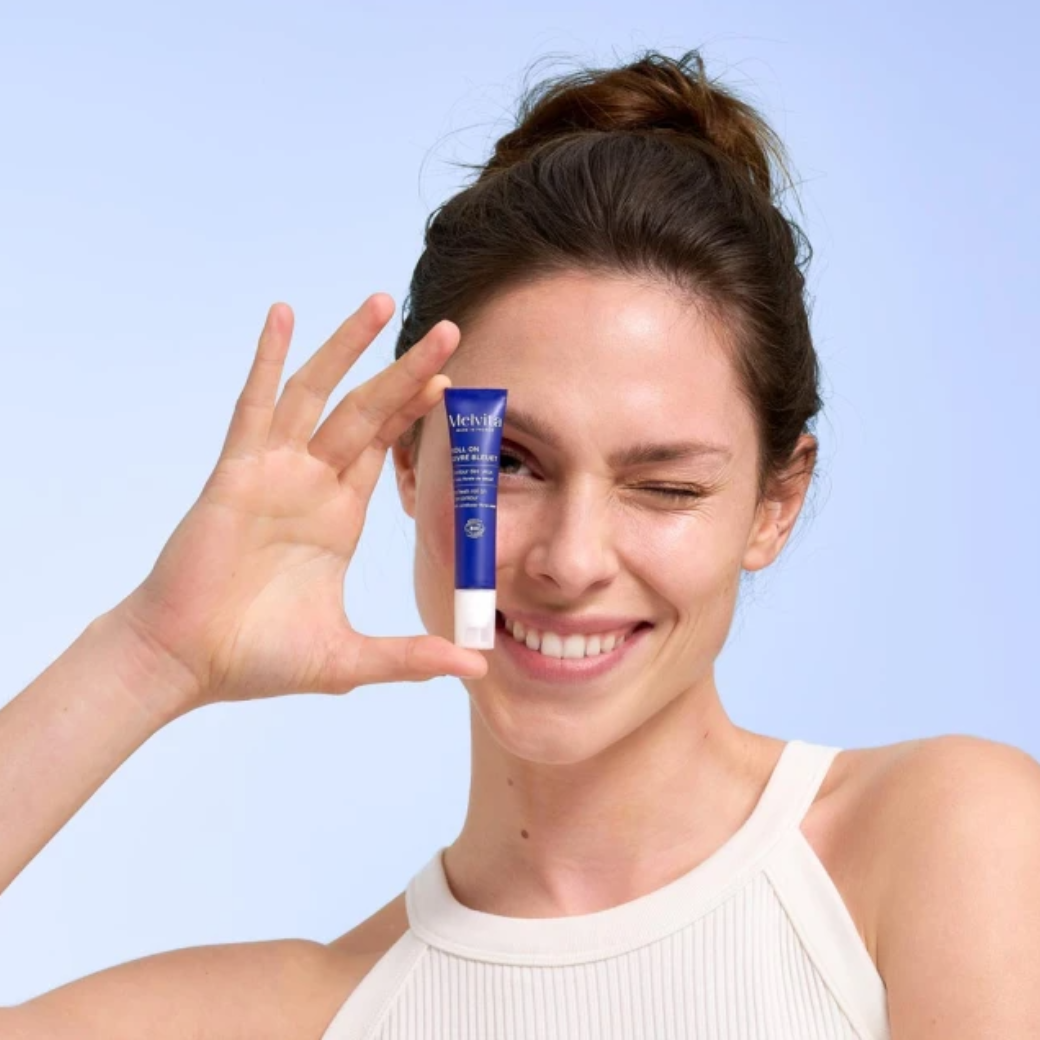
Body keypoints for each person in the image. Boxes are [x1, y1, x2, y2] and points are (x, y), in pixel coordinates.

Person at [1, 48, 1037, 1040]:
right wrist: (152, 653)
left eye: (665, 486)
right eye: (509, 463)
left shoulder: (939, 842)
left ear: (775, 502)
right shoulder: (303, 1014)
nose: (570, 560)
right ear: (410, 459)